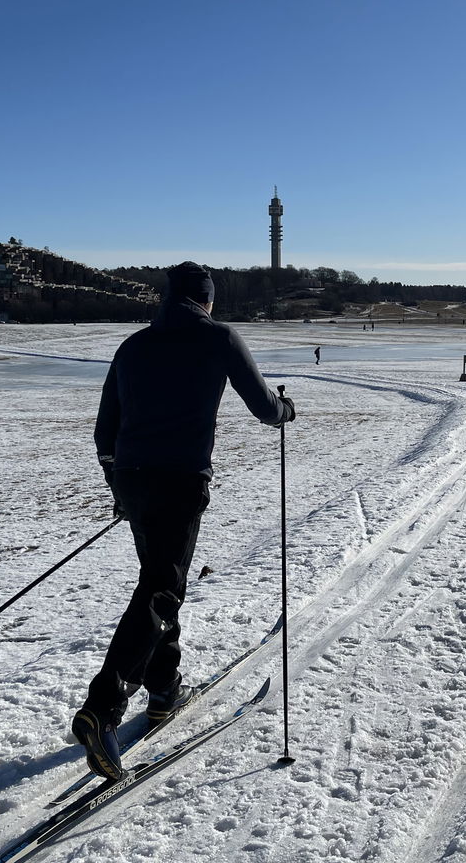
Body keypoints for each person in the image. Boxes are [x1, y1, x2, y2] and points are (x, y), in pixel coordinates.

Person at [72, 261, 294, 781]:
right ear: (207, 299)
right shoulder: (219, 337)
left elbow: (106, 430)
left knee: (159, 581)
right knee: (161, 590)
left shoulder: (133, 346)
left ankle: (164, 687)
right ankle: (102, 709)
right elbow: (264, 407)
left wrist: (119, 487)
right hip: (179, 480)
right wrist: (286, 409)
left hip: (132, 477)